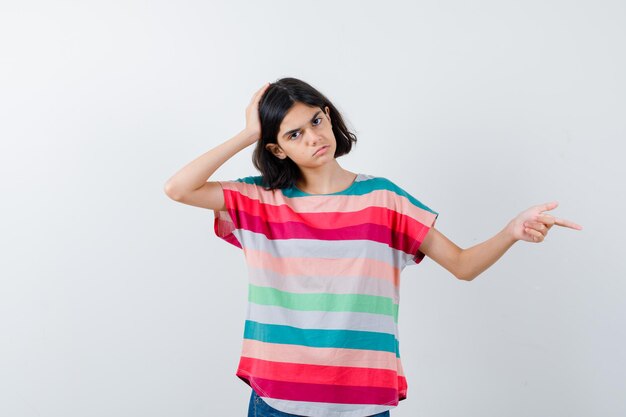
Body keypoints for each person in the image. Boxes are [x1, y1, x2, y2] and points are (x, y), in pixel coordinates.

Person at [164, 78, 583, 417]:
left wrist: (511, 231)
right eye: (294, 134)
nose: (312, 137)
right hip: (278, 397)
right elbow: (178, 189)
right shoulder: (261, 199)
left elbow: (462, 265)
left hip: (360, 400)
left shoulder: (384, 199)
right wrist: (249, 133)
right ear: (277, 148)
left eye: (315, 121)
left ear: (327, 116)